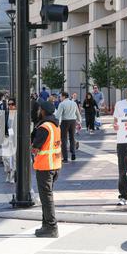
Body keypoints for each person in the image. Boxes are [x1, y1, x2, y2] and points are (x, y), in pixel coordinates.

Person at [31, 100, 61, 238]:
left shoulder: (44, 127)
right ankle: (46, 225)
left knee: (46, 198)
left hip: (45, 166)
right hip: (54, 166)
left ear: (42, 111)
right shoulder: (55, 125)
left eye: (39, 110)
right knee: (46, 197)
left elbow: (35, 147)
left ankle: (51, 227)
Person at [55, 92, 82, 162]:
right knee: (72, 137)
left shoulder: (62, 104)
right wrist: (79, 121)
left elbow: (58, 115)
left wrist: (56, 123)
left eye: (60, 97)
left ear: (63, 97)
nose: (60, 98)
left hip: (65, 121)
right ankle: (73, 153)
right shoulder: (74, 103)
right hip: (73, 121)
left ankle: (65, 157)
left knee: (64, 139)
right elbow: (78, 113)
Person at [2, 98, 17, 183]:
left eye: (12, 104)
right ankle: (8, 172)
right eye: (9, 104)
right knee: (5, 158)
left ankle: (12, 175)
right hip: (7, 138)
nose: (10, 106)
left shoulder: (18, 114)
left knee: (14, 158)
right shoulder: (7, 114)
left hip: (14, 139)